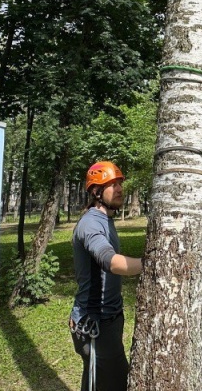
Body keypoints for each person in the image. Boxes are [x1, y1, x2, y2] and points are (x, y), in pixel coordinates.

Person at [69, 161, 142, 391]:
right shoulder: (90, 223)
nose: (120, 188)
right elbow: (110, 261)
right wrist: (152, 264)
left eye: (120, 183)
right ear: (96, 191)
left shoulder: (105, 219)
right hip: (95, 325)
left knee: (96, 382)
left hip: (109, 320)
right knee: (118, 383)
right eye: (112, 184)